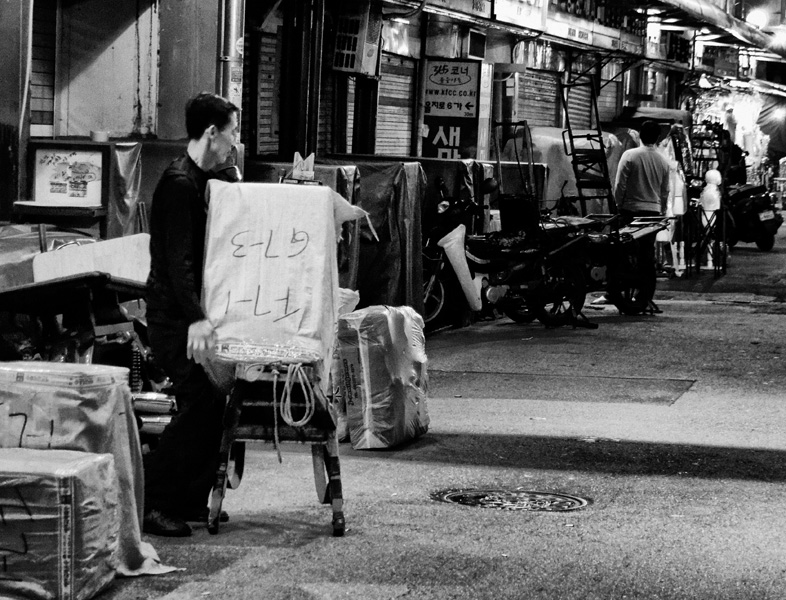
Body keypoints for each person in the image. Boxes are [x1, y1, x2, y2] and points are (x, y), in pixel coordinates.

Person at [142, 92, 239, 537]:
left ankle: (190, 501)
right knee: (198, 401)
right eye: (232, 132)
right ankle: (155, 502)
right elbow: (180, 264)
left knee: (212, 402)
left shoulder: (203, 180)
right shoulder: (180, 184)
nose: (235, 142)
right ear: (212, 132)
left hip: (187, 315)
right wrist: (198, 319)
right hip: (173, 318)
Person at [593, 120, 670, 307]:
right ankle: (645, 297)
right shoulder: (663, 161)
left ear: (641, 135)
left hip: (630, 211)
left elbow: (619, 185)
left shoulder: (630, 155)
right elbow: (664, 191)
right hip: (652, 213)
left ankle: (613, 292)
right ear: (658, 137)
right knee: (646, 255)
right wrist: (662, 210)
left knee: (618, 252)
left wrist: (618, 206)